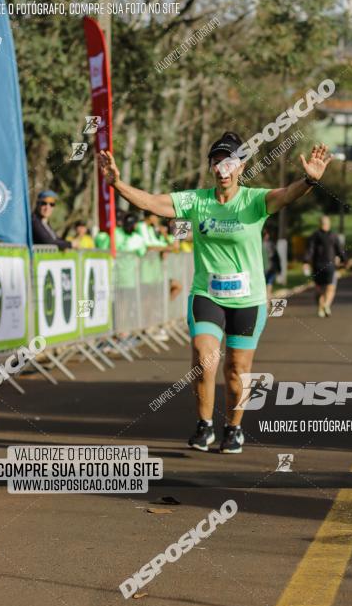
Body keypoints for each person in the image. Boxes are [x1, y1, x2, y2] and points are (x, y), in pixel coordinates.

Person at [99, 133, 333, 455]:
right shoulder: (197, 201)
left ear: (241, 166)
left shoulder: (254, 201)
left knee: (237, 370)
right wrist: (117, 185)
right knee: (204, 358)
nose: (223, 168)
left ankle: (234, 428)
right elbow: (153, 202)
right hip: (206, 294)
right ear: (211, 167)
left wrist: (309, 179)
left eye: (230, 162)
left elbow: (288, 194)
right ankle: (204, 424)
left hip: (247, 301)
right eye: (217, 162)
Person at [304, 215, 346, 318]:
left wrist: (305, 262)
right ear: (329, 224)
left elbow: (310, 250)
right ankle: (326, 305)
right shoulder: (333, 235)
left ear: (319, 224)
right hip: (329, 266)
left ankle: (320, 308)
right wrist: (345, 260)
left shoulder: (314, 236)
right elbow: (339, 250)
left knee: (318, 288)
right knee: (330, 287)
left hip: (317, 266)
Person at [262, 227, 281, 301]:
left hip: (266, 269)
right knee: (268, 286)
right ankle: (267, 303)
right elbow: (276, 257)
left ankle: (267, 303)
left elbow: (276, 257)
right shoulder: (271, 244)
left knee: (268, 286)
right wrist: (279, 269)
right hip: (270, 268)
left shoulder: (257, 244)